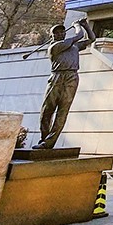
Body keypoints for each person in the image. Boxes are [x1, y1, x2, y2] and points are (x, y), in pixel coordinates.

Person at [33, 20, 95, 150]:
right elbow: (79, 36)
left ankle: (49, 142)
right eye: (56, 33)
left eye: (62, 32)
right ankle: (44, 138)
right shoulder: (55, 46)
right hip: (57, 77)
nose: (60, 34)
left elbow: (91, 39)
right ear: (52, 36)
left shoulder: (74, 46)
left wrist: (86, 26)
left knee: (62, 112)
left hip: (71, 77)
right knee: (47, 111)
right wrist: (77, 26)